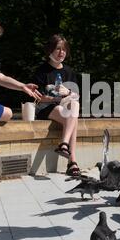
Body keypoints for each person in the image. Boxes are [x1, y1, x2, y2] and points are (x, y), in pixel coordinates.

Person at [34, 34, 81, 176]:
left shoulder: (69, 71)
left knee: (74, 106)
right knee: (74, 118)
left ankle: (64, 145)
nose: (62, 52)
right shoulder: (41, 71)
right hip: (46, 108)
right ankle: (72, 161)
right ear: (50, 50)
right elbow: (37, 97)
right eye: (58, 49)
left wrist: (67, 92)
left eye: (64, 49)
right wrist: (53, 96)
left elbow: (76, 96)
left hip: (65, 108)